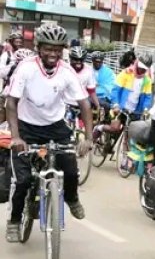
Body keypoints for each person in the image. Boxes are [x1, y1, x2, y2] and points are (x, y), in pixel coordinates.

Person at [5, 24, 93, 241]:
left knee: (71, 171)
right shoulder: (26, 68)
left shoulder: (67, 71)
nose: (52, 53)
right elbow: (11, 103)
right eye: (47, 48)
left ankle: (71, 199)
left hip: (55, 126)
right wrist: (16, 137)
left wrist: (89, 138)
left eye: (57, 49)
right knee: (23, 180)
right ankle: (15, 221)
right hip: (26, 126)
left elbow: (84, 104)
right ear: (38, 47)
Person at [113, 53, 154, 120]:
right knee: (115, 128)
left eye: (144, 68)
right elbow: (115, 90)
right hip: (120, 108)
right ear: (137, 63)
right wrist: (115, 104)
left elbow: (147, 97)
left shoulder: (147, 80)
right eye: (141, 67)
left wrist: (145, 109)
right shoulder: (126, 73)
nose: (142, 70)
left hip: (135, 112)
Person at [65, 46, 98, 110]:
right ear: (70, 59)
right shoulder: (64, 69)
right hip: (66, 103)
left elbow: (91, 91)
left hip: (82, 104)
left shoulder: (89, 70)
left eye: (81, 60)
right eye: (75, 59)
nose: (78, 62)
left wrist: (98, 106)